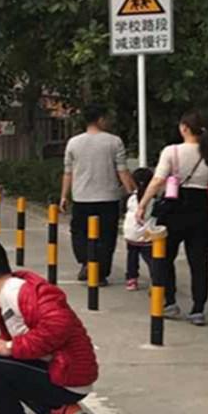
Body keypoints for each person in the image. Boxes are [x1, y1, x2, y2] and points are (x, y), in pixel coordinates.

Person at [0, 238, 97, 414]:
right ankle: (60, 410)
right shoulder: (7, 292)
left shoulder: (18, 292)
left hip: (68, 377)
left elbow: (58, 325)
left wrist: (9, 347)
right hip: (63, 373)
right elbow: (13, 340)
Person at [135, 111, 208, 325]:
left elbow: (158, 180)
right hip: (201, 210)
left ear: (184, 128)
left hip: (174, 208)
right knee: (199, 262)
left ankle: (169, 302)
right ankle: (198, 309)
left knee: (164, 257)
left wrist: (142, 205)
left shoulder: (172, 151)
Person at [60, 105, 136, 286]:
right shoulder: (114, 142)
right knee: (106, 237)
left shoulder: (73, 143)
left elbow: (68, 173)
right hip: (108, 198)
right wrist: (133, 193)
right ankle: (100, 274)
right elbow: (122, 171)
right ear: (100, 119)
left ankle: (86, 262)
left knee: (80, 233)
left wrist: (63, 196)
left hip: (81, 198)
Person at [122, 168, 157, 291]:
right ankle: (155, 280)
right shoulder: (154, 199)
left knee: (132, 255)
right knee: (151, 258)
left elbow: (123, 211)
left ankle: (131, 279)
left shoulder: (129, 198)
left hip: (130, 232)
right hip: (147, 233)